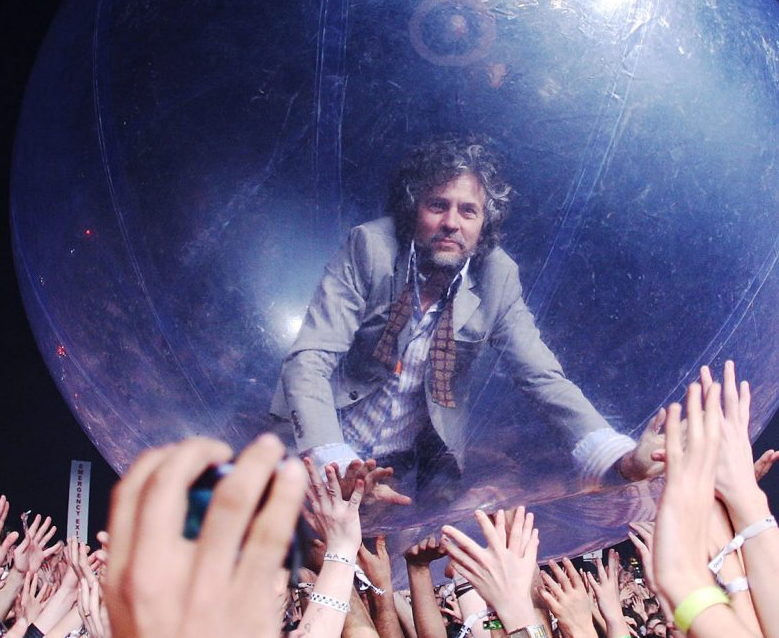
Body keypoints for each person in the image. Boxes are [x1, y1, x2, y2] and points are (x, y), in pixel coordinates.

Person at [271, 134, 660, 504]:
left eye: (468, 211)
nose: (452, 223)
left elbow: (542, 378)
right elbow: (309, 358)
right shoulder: (370, 246)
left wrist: (619, 457)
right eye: (438, 205)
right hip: (315, 448)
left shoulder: (498, 276)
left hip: (397, 475)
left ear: (483, 226)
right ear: (412, 210)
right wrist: (333, 460)